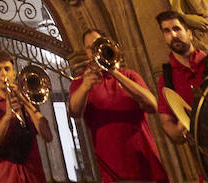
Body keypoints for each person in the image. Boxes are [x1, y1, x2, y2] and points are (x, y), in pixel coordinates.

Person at [67, 30, 167, 183]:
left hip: (146, 164)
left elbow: (153, 105)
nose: (94, 51)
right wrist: (85, 86)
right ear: (86, 52)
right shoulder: (81, 82)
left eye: (97, 45)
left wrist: (114, 71)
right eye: (90, 48)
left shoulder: (128, 75)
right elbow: (74, 112)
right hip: (112, 172)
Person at [0, 50, 54, 183]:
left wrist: (25, 102)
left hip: (34, 175)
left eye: (7, 69)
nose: (3, 74)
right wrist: (8, 115)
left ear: (14, 74)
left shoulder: (27, 99)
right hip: (8, 177)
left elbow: (48, 136)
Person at [153, 10, 208, 145]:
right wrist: (177, 132)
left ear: (189, 33)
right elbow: (166, 122)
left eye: (176, 29)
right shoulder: (166, 79)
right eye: (167, 31)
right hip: (203, 149)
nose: (173, 35)